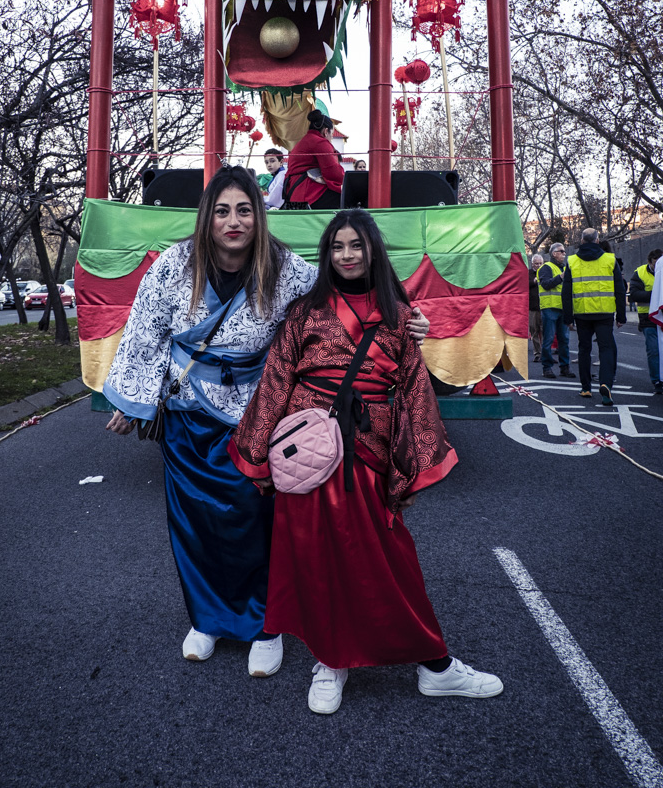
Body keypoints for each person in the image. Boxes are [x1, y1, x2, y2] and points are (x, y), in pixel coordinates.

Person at [103, 169, 429, 678]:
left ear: (259, 215)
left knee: (255, 522)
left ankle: (265, 626)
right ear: (207, 217)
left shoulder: (286, 269)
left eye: (244, 210)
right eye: (222, 211)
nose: (233, 221)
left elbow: (343, 291)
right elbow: (146, 331)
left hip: (257, 414)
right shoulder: (173, 266)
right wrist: (132, 401)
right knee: (194, 523)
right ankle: (207, 620)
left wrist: (406, 317)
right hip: (188, 411)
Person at [229, 209, 503, 714]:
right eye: (337, 246)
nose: (347, 255)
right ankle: (330, 661)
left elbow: (414, 389)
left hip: (368, 451)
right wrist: (259, 451)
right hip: (308, 453)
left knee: (388, 559)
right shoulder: (304, 312)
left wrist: (410, 465)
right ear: (326, 254)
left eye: (356, 245)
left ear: (373, 249)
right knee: (314, 560)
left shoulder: (401, 315)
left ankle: (436, 665)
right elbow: (277, 379)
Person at [562, 229, 626, 405]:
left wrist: (568, 318)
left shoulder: (572, 261)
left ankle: (586, 388)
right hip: (604, 313)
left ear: (582, 241)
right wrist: (621, 316)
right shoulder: (610, 259)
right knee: (606, 349)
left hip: (582, 313)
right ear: (598, 240)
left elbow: (566, 292)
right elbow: (620, 290)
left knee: (584, 349)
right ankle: (606, 383)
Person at [284, 109, 344, 209]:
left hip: (294, 193)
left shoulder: (303, 142)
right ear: (326, 131)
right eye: (332, 135)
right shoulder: (320, 142)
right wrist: (348, 181)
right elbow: (333, 172)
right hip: (309, 194)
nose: (331, 139)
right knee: (350, 198)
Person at [628, 248, 663, 395]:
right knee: (654, 350)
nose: (657, 266)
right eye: (655, 264)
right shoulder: (640, 273)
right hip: (648, 318)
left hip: (661, 317)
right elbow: (634, 294)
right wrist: (656, 295)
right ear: (650, 262)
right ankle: (657, 380)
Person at [538, 243, 574, 380]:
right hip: (550, 308)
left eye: (564, 251)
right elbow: (546, 284)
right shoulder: (545, 268)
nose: (564, 254)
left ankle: (564, 367)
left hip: (563, 308)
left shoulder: (564, 268)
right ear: (554, 253)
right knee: (548, 339)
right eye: (561, 251)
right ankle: (547, 368)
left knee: (564, 339)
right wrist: (561, 277)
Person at [528, 252, 544, 362]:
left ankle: (545, 353)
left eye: (540, 263)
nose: (538, 265)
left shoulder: (546, 272)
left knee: (544, 331)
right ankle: (537, 353)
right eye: (536, 263)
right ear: (532, 263)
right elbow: (524, 284)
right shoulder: (528, 273)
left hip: (544, 306)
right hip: (532, 307)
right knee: (534, 331)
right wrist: (534, 281)